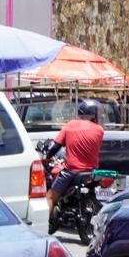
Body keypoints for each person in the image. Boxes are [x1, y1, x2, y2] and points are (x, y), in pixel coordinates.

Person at [43, 100, 104, 234]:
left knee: (50, 197)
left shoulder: (70, 125)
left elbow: (57, 146)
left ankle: (42, 229)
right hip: (91, 171)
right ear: (94, 115)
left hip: (71, 171)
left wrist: (47, 157)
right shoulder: (100, 130)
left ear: (80, 113)